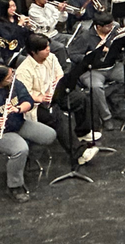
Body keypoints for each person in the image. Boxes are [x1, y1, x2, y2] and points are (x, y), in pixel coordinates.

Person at [0, 63, 57, 203]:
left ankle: (23, 162)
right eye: (8, 77)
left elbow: (28, 101)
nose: (12, 77)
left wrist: (17, 109)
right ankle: (14, 186)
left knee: (49, 135)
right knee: (20, 149)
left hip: (16, 124)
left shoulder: (13, 84)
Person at [16, 34, 99, 166]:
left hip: (55, 94)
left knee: (81, 98)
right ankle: (79, 153)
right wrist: (41, 98)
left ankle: (82, 132)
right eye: (44, 48)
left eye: (48, 46)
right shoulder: (23, 71)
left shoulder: (51, 58)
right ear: (33, 52)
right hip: (37, 105)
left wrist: (56, 85)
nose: (48, 49)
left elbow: (60, 75)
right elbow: (25, 95)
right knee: (57, 116)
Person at [68, 11, 125, 132]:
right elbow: (73, 55)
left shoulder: (113, 33)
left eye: (111, 25)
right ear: (98, 26)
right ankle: (106, 118)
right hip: (92, 69)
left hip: (111, 66)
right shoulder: (85, 36)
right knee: (96, 87)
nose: (111, 28)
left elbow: (122, 51)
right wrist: (89, 56)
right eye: (108, 26)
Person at [27, 0, 73, 64]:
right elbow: (48, 25)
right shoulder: (33, 12)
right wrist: (58, 12)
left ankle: (71, 60)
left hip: (55, 33)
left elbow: (62, 19)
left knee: (73, 39)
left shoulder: (48, 6)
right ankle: (64, 67)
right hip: (45, 37)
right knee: (60, 47)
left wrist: (62, 12)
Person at [0, 0, 33, 66]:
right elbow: (9, 40)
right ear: (4, 9)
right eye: (10, 7)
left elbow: (27, 37)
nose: (13, 9)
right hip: (11, 55)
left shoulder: (17, 19)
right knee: (30, 62)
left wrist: (29, 27)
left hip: (23, 50)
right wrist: (19, 25)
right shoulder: (1, 24)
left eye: (14, 6)